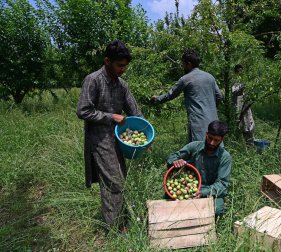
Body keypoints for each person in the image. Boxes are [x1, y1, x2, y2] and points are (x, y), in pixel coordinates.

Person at [76, 40, 143, 231]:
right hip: (100, 139)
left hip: (119, 140)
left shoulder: (122, 85)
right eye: (120, 65)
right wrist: (110, 116)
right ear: (107, 61)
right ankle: (114, 227)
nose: (123, 69)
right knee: (114, 181)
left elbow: (135, 111)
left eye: (125, 66)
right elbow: (83, 111)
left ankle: (118, 219)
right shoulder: (93, 80)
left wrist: (147, 133)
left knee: (117, 179)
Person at [150, 49, 223, 142]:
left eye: (183, 64)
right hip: (213, 120)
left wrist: (156, 99)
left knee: (198, 148)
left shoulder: (186, 79)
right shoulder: (210, 77)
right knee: (215, 146)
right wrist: (210, 109)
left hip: (198, 122)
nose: (182, 66)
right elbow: (219, 96)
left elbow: (170, 95)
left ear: (188, 64)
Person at [166, 120, 232, 217]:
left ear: (222, 140)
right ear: (206, 134)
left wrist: (203, 193)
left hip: (210, 190)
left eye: (216, 140)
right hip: (188, 185)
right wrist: (175, 161)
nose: (212, 143)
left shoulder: (225, 157)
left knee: (216, 210)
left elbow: (222, 184)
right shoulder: (194, 146)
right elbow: (172, 157)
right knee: (167, 202)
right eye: (210, 138)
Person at [231, 64, 255, 145]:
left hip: (246, 105)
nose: (240, 73)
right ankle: (237, 143)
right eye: (238, 71)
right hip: (238, 106)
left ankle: (250, 142)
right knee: (239, 123)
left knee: (249, 122)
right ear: (236, 72)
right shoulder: (234, 80)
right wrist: (242, 86)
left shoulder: (245, 80)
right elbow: (234, 91)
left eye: (241, 71)